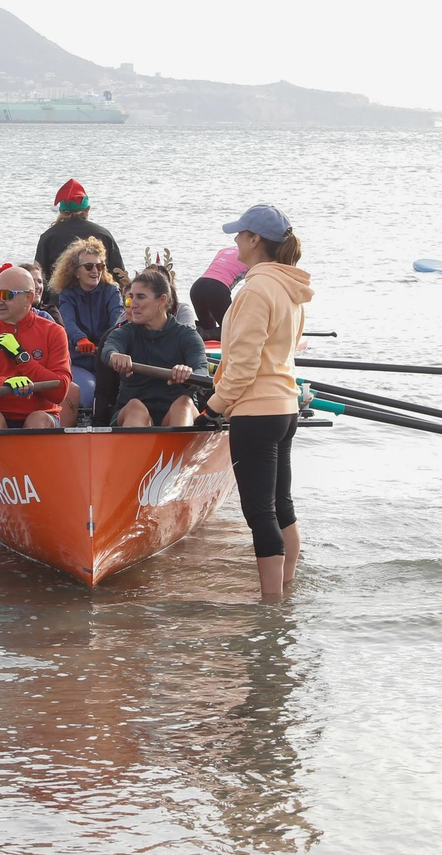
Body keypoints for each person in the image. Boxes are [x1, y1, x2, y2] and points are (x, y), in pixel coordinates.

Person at [206, 204, 314, 602]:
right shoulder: (290, 287)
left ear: (255, 240)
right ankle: (286, 588)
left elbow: (245, 363)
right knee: (281, 503)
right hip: (285, 407)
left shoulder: (255, 289)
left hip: (257, 410)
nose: (234, 240)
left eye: (239, 234)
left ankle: (270, 605)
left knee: (259, 512)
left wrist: (214, 406)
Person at [0, 265, 75, 429]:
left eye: (6, 295)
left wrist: (23, 359)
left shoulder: (54, 332)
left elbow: (60, 391)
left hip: (41, 414)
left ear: (28, 298)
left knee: (38, 420)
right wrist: (7, 382)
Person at [101, 270, 206, 427]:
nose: (132, 304)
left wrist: (188, 374)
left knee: (184, 404)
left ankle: (178, 449)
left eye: (141, 297)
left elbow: (202, 372)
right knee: (135, 407)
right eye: (131, 297)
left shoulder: (187, 336)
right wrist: (114, 355)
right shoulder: (123, 333)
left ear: (162, 300)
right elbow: (108, 350)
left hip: (175, 414)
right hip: (133, 415)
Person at [50, 237, 123, 414]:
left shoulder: (111, 291)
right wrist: (80, 339)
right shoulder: (68, 294)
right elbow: (68, 322)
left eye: (100, 266)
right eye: (89, 267)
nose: (95, 271)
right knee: (88, 392)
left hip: (108, 358)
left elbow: (118, 318)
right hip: (80, 361)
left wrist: (107, 344)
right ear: (76, 272)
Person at [34, 179, 125, 297]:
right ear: (87, 210)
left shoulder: (48, 237)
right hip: (101, 303)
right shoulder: (103, 234)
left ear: (61, 211)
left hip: (59, 305)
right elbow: (119, 276)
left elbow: (38, 277)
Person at [190, 246, 248, 341]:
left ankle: (190, 329)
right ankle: (201, 334)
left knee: (207, 326)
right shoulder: (254, 254)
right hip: (217, 288)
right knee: (231, 330)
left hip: (197, 286)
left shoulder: (224, 250)